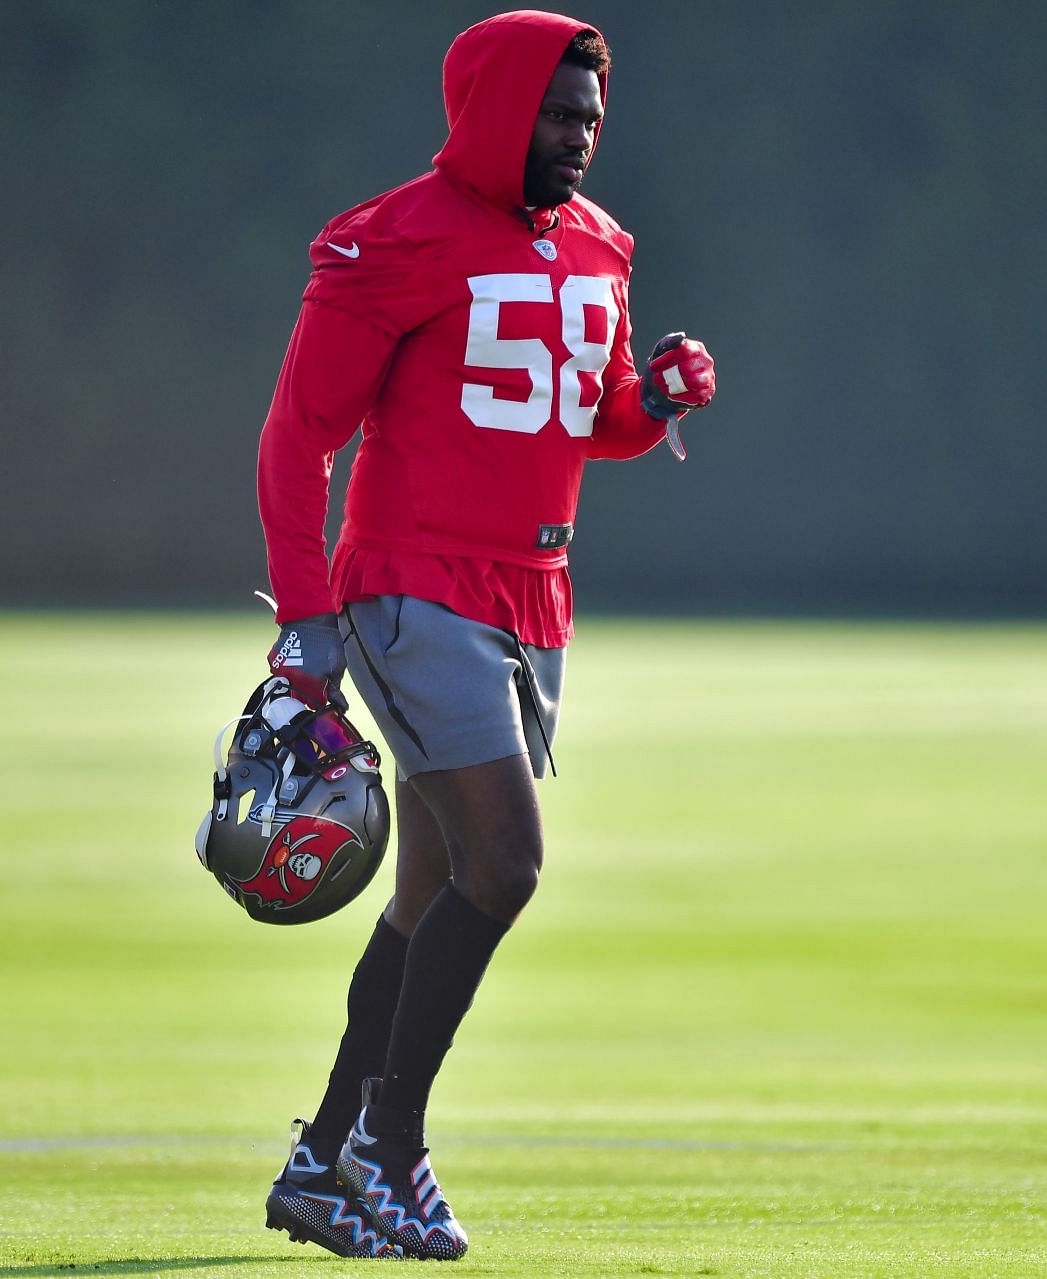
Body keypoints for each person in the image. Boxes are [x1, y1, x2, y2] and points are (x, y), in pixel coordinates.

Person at [251, 10, 717, 1262]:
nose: (579, 140)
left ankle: (320, 1157)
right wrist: (305, 626)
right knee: (505, 865)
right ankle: (387, 1152)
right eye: (560, 116)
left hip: (528, 600)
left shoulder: (603, 245)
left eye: (593, 122)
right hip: (411, 588)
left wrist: (653, 400)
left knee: (426, 892)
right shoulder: (394, 236)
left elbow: (589, 423)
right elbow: (300, 438)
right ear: (501, 108)